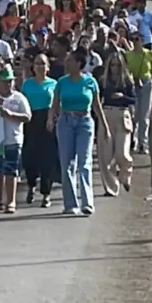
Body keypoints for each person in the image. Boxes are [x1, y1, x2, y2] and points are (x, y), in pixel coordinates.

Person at [48, 48, 110, 216]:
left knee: (84, 161)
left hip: (84, 122)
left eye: (70, 61)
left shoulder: (90, 82)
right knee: (67, 163)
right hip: (66, 122)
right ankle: (70, 204)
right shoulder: (62, 82)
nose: (67, 63)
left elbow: (96, 105)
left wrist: (104, 126)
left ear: (79, 63)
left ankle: (87, 203)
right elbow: (55, 103)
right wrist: (50, 119)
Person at [0, 67, 31, 213]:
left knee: (11, 170)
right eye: (4, 81)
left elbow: (27, 117)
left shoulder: (19, 98)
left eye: (10, 81)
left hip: (13, 139)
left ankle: (11, 201)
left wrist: (10, 114)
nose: (8, 84)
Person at [20, 53, 59, 207]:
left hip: (48, 120)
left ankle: (46, 194)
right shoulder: (27, 84)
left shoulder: (54, 84)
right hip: (31, 121)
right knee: (30, 157)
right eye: (37, 63)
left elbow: (57, 104)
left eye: (43, 63)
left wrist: (53, 118)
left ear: (48, 67)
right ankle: (31, 185)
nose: (40, 66)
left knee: (47, 158)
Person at [97, 53, 136, 196]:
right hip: (106, 115)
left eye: (118, 65)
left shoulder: (127, 81)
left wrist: (123, 97)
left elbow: (134, 99)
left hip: (122, 115)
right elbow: (97, 99)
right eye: (112, 65)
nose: (115, 68)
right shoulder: (103, 81)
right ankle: (111, 188)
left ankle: (125, 175)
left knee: (122, 153)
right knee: (106, 156)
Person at [124, 31, 152, 153]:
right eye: (133, 40)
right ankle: (131, 140)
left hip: (146, 84)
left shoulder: (150, 54)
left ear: (142, 41)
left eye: (137, 39)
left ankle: (142, 143)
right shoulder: (128, 55)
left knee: (144, 115)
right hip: (133, 85)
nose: (135, 42)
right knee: (134, 114)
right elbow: (125, 72)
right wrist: (133, 80)